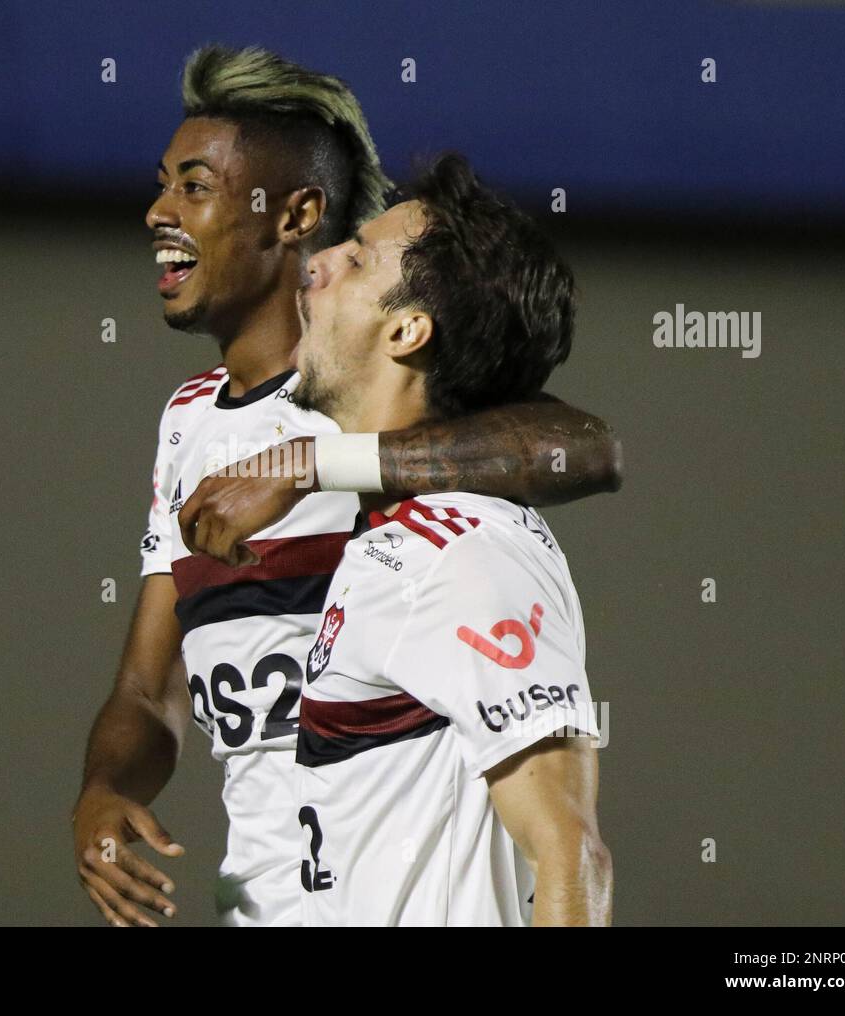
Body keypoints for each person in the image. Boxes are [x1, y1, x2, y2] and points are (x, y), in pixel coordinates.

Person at [74, 45, 620, 928]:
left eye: (195, 187)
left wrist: (312, 464)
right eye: (162, 182)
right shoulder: (191, 421)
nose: (158, 211)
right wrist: (102, 791)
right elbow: (149, 685)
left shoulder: (392, 412)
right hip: (271, 898)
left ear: (296, 214)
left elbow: (585, 449)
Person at [290, 153, 611, 925]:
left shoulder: (461, 554)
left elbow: (571, 855)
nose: (318, 264)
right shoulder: (401, 537)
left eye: (357, 258)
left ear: (407, 330)